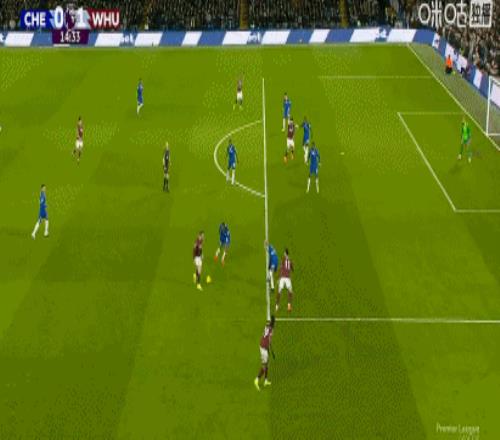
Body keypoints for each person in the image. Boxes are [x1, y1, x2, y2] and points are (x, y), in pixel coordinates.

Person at [254, 315, 275, 391]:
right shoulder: (271, 330)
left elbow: (267, 339)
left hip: (263, 346)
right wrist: (270, 350)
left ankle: (265, 380)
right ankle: (256, 380)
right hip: (263, 348)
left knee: (267, 364)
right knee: (264, 366)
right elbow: (269, 340)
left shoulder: (267, 326)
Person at [276, 248, 294, 313]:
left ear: (285, 253)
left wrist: (278, 278)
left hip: (282, 278)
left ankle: (277, 306)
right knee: (290, 291)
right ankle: (289, 305)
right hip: (288, 278)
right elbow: (292, 269)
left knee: (279, 292)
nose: (283, 254)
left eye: (284, 253)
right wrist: (291, 268)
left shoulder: (283, 260)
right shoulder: (290, 261)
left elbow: (280, 269)